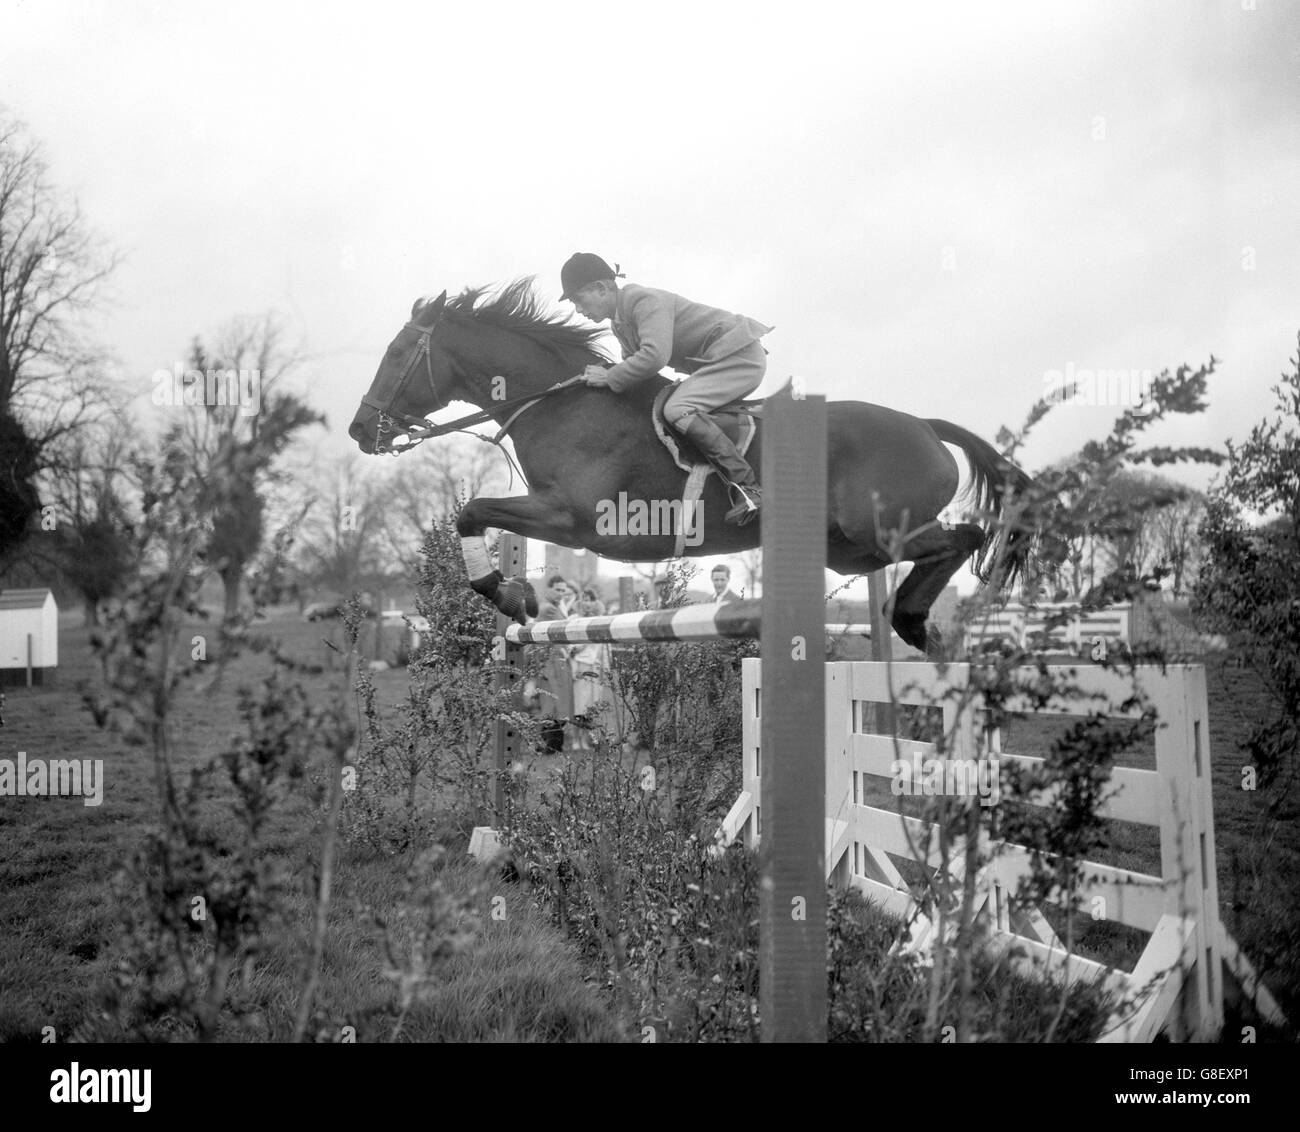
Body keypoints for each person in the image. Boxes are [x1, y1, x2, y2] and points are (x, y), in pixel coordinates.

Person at [559, 252, 773, 524]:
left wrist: (609, 377)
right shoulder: (619, 323)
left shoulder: (642, 301)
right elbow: (634, 369)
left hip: (739, 357)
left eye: (578, 299)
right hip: (718, 361)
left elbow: (654, 356)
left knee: (677, 409)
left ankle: (747, 487)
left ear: (601, 288)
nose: (578, 309)